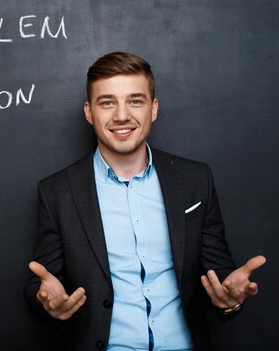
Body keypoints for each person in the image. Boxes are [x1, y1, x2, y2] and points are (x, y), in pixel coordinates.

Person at [24, 52, 266, 351]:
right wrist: (47, 303)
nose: (122, 115)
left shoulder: (195, 180)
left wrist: (231, 301)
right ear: (89, 112)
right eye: (108, 102)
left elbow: (221, 276)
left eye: (135, 101)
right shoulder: (57, 191)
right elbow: (41, 284)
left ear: (153, 109)